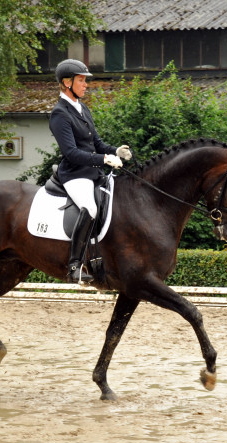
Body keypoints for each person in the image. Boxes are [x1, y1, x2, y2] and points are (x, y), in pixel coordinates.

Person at [49, 58, 133, 283]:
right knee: (90, 208)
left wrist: (115, 150)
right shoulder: (60, 113)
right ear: (67, 83)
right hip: (74, 174)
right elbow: (72, 153)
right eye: (81, 80)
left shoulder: (81, 108)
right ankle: (74, 265)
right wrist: (105, 159)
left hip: (93, 173)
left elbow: (96, 143)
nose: (86, 84)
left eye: (86, 80)